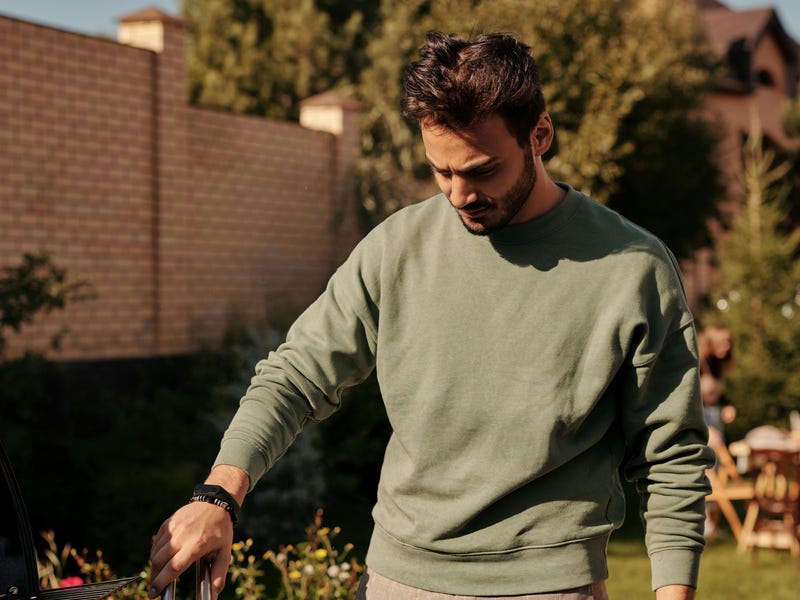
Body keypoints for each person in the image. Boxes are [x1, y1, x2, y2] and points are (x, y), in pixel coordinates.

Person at [149, 31, 713, 600]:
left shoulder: (632, 268)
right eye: (441, 172)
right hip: (397, 581)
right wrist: (218, 494)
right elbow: (295, 375)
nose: (459, 194)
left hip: (549, 587)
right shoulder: (397, 248)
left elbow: (672, 455)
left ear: (540, 134)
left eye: (481, 170)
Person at [697, 324, 735, 449]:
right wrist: (705, 428)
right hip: (700, 420)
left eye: (728, 342)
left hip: (715, 419)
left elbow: (719, 394)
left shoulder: (718, 364)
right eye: (722, 342)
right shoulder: (697, 363)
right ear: (711, 342)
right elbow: (688, 400)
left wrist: (727, 406)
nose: (727, 346)